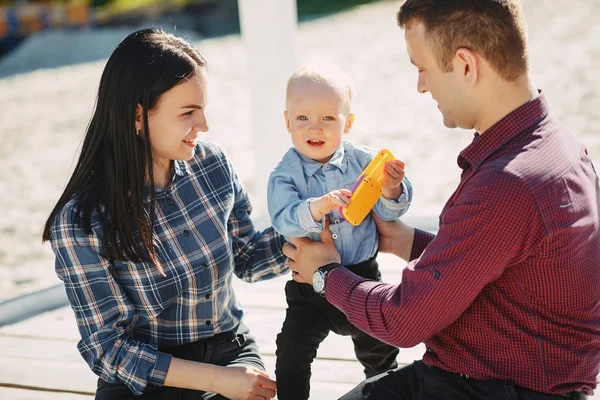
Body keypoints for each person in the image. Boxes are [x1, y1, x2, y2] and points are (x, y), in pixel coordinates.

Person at [283, 1, 600, 399]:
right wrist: (403, 240)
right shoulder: (558, 146)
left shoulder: (507, 184)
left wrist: (324, 273)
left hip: (490, 387)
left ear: (465, 65)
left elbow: (402, 321)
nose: (421, 85)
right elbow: (493, 264)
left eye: (423, 68)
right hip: (508, 373)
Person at [42, 29, 288, 400]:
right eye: (189, 112)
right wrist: (215, 381)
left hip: (229, 351)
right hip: (145, 377)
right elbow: (108, 348)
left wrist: (320, 226)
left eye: (203, 109)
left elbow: (248, 257)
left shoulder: (212, 164)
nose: (204, 126)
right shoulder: (81, 222)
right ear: (138, 116)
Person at [267, 61, 413, 400]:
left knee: (380, 348)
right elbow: (283, 218)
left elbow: (390, 211)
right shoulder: (285, 174)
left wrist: (391, 190)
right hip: (308, 287)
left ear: (347, 122)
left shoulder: (363, 162)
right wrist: (317, 207)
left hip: (361, 276)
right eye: (302, 118)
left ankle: (385, 389)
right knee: (291, 349)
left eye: (328, 118)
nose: (314, 128)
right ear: (287, 121)